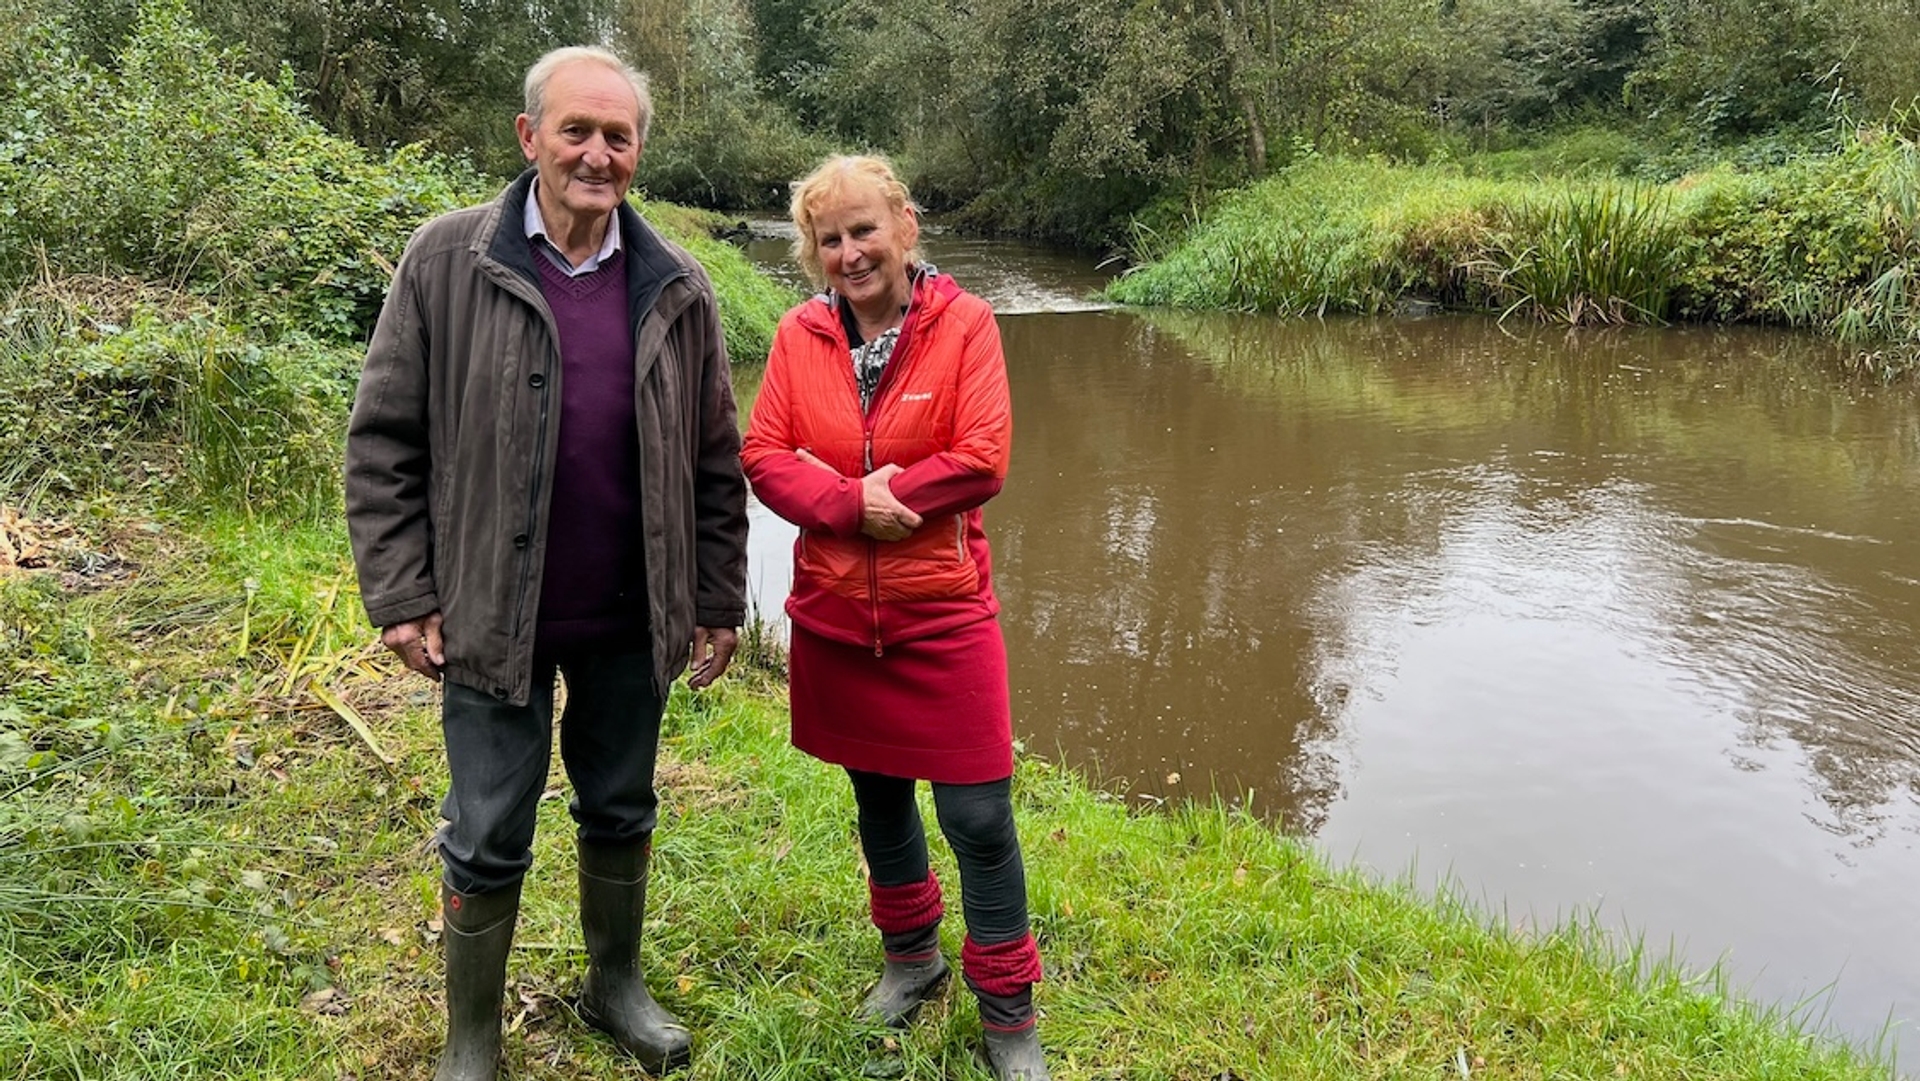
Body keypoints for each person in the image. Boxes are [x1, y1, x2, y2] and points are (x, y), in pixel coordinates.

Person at [343, 46, 748, 1081]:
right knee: (484, 832)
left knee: (621, 808)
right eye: (578, 130)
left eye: (618, 136)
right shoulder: (444, 260)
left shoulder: (680, 285)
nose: (597, 154)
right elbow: (384, 441)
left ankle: (614, 986)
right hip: (488, 613)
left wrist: (713, 598)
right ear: (530, 138)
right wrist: (400, 592)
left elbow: (713, 462)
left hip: (629, 618)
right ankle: (471, 1038)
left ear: (640, 151)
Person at [741, 155, 1051, 1081]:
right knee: (876, 795)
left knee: (979, 815)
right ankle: (912, 958)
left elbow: (983, 457)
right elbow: (762, 452)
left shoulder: (965, 324)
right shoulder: (799, 335)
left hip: (942, 610)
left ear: (906, 225)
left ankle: (1009, 1015)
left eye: (863, 229)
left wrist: (891, 496)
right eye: (828, 238)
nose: (849, 252)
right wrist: (847, 503)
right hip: (837, 614)